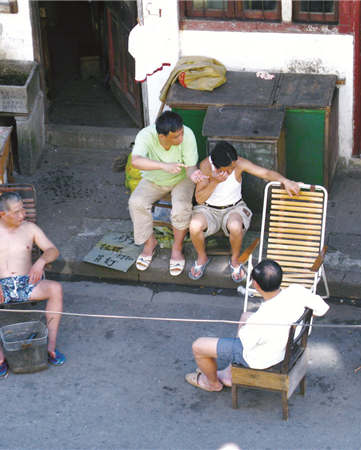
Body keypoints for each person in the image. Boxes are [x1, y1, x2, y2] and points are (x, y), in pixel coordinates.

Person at [185, 259, 329, 392]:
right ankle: (229, 372)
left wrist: (248, 328)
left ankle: (213, 384)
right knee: (245, 315)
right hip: (290, 345)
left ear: (256, 284)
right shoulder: (296, 290)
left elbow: (246, 343)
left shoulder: (262, 317)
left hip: (264, 358)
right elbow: (322, 309)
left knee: (198, 346)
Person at [0, 192, 65, 377]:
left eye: (23, 209)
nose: (23, 215)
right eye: (17, 212)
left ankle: (51, 348)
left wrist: (41, 261)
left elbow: (53, 250)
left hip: (26, 282)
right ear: (3, 214)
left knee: (55, 289)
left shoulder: (30, 228)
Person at [188, 141, 300, 282]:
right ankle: (202, 257)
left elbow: (265, 172)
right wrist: (214, 182)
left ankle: (235, 260)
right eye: (227, 169)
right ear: (216, 165)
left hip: (234, 207)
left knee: (235, 226)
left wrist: (285, 180)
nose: (230, 171)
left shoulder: (238, 163)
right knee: (194, 226)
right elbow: (199, 198)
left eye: (232, 167)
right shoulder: (206, 166)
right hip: (208, 209)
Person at [128, 111, 205, 276]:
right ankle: (150, 243)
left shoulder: (188, 135)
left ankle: (177, 249)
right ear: (162, 137)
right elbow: (136, 161)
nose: (181, 139)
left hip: (181, 178)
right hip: (154, 179)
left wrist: (194, 174)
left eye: (181, 133)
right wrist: (164, 166)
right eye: (176, 137)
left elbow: (191, 166)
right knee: (136, 202)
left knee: (181, 207)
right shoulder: (146, 135)